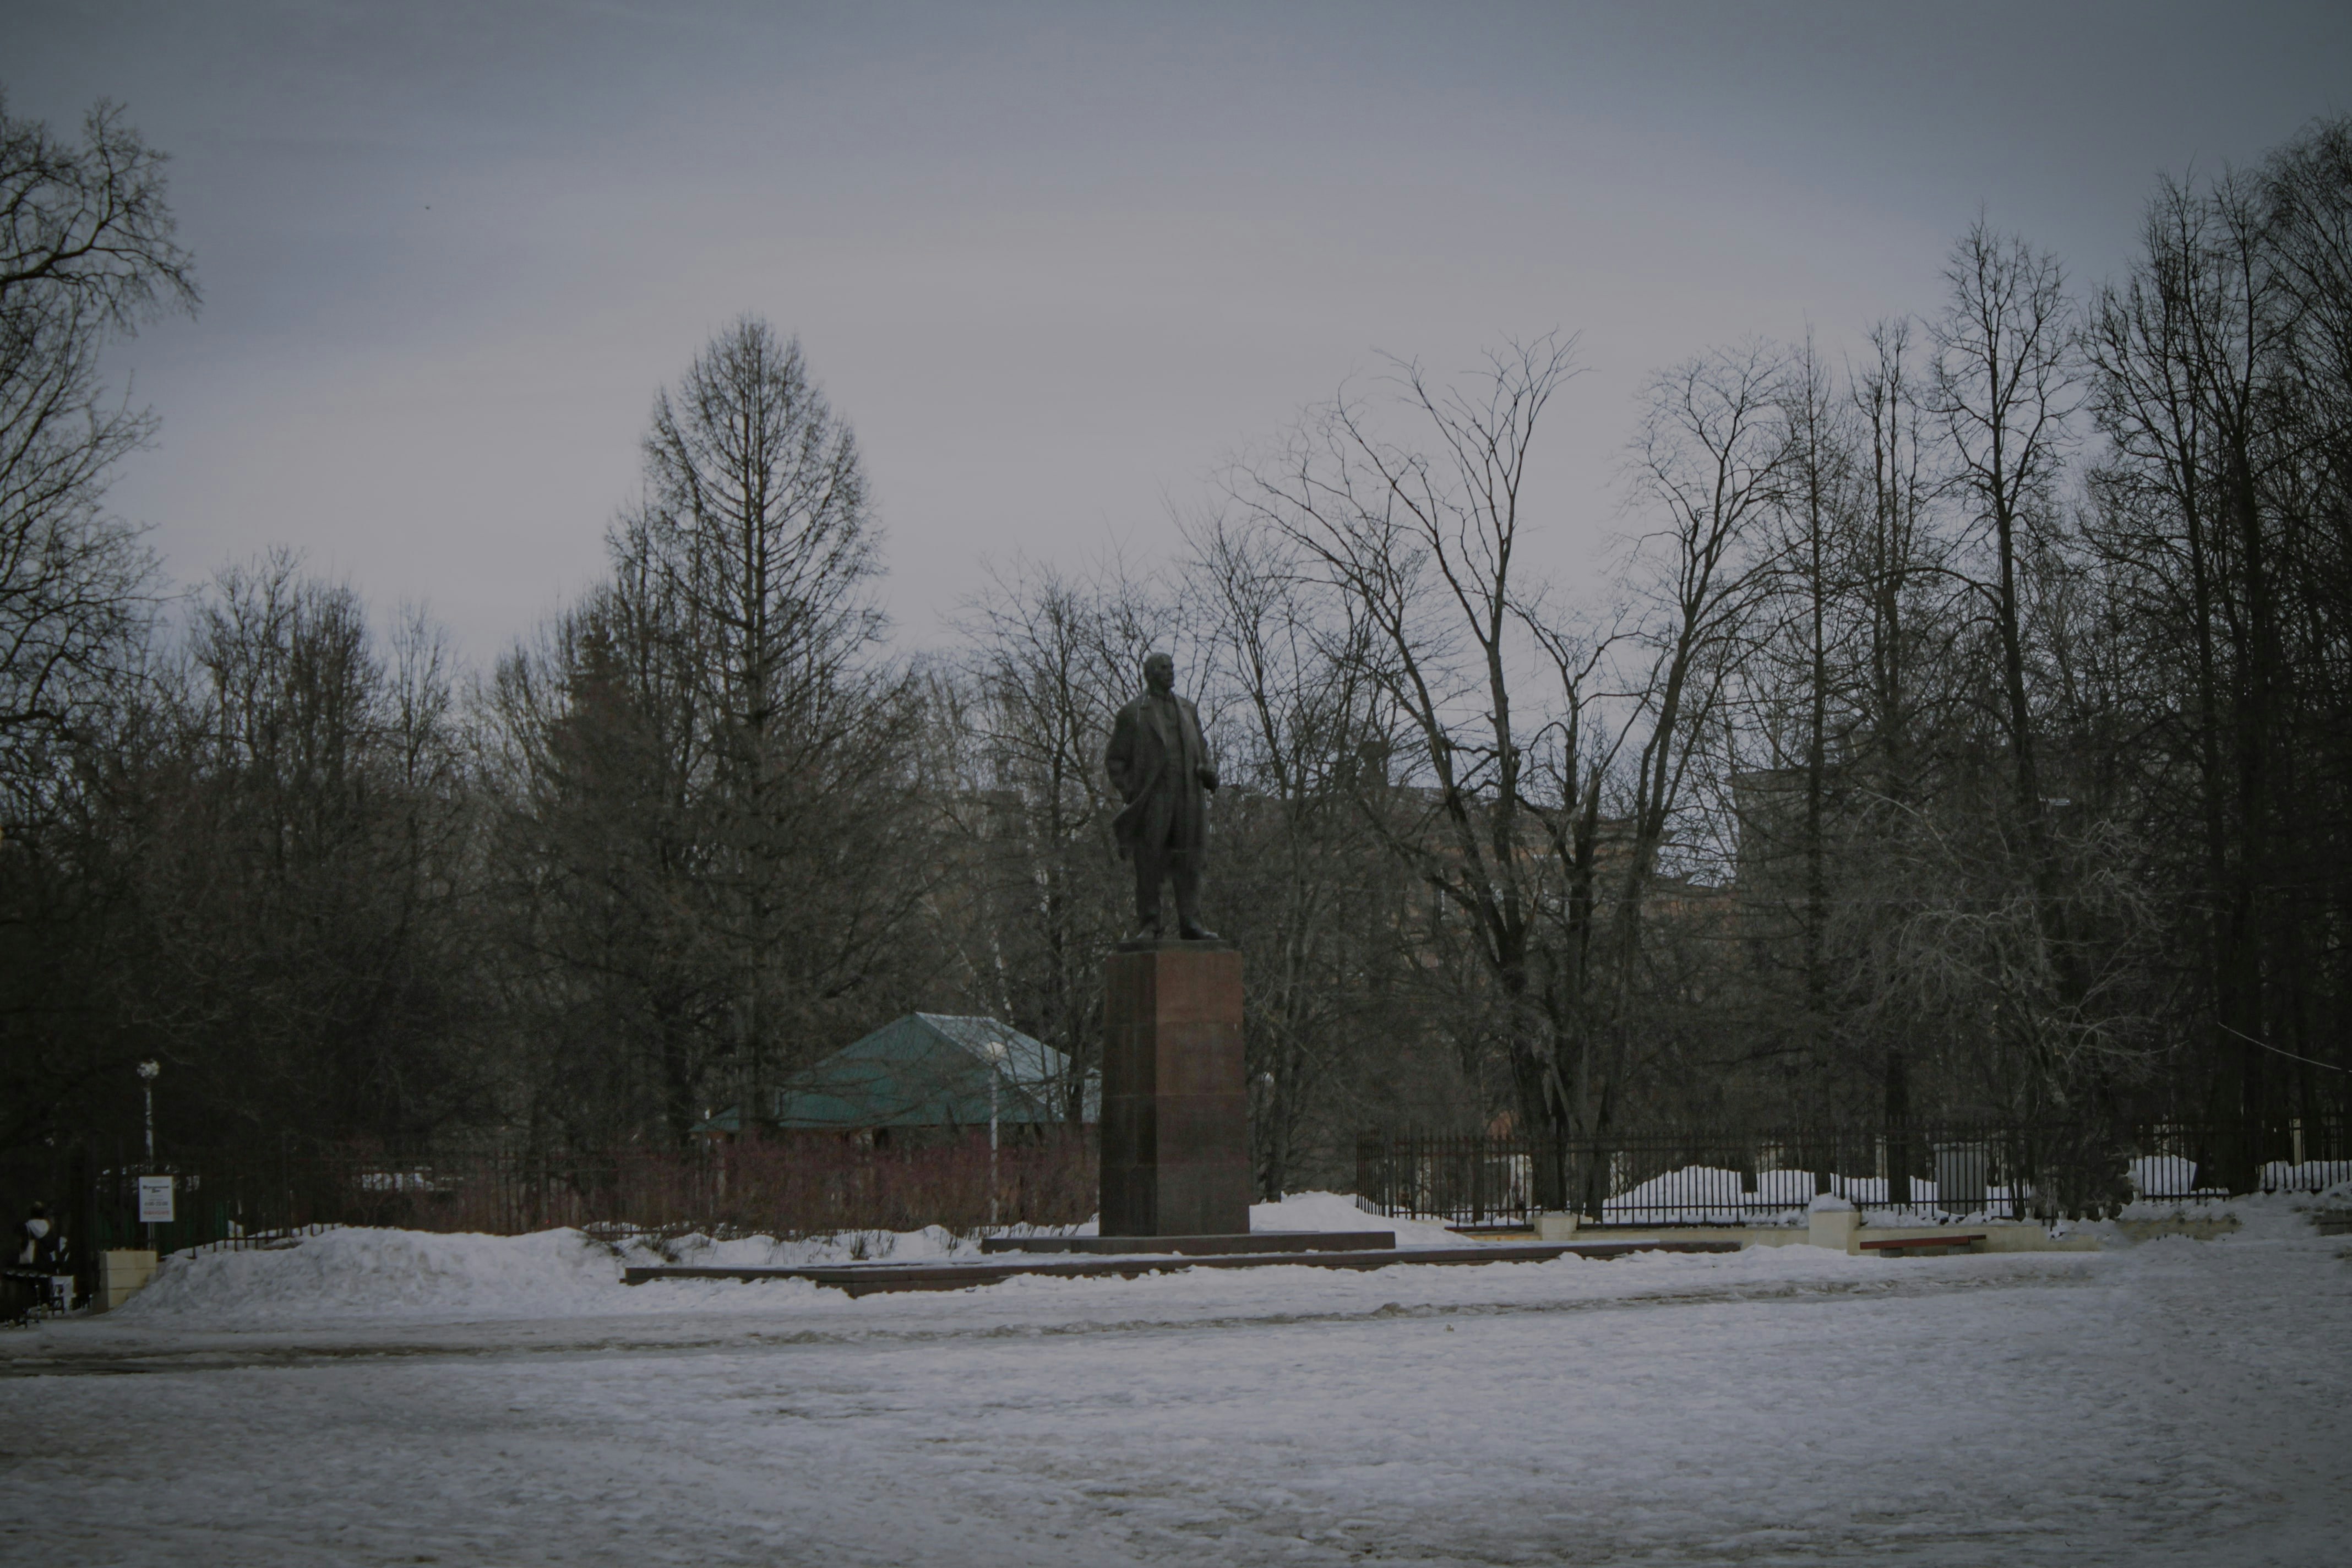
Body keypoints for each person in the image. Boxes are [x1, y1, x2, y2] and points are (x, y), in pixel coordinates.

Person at [1104, 651, 1219, 941]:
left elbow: (1202, 749)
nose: (1170, 672)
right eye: (1163, 668)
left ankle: (1191, 922)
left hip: (1188, 796)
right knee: (1149, 862)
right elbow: (1116, 760)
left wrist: (1208, 770)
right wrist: (1133, 791)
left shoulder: (1188, 709)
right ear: (1150, 674)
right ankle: (1150, 923)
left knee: (1189, 860)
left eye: (1171, 667)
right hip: (1154, 799)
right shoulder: (1133, 713)